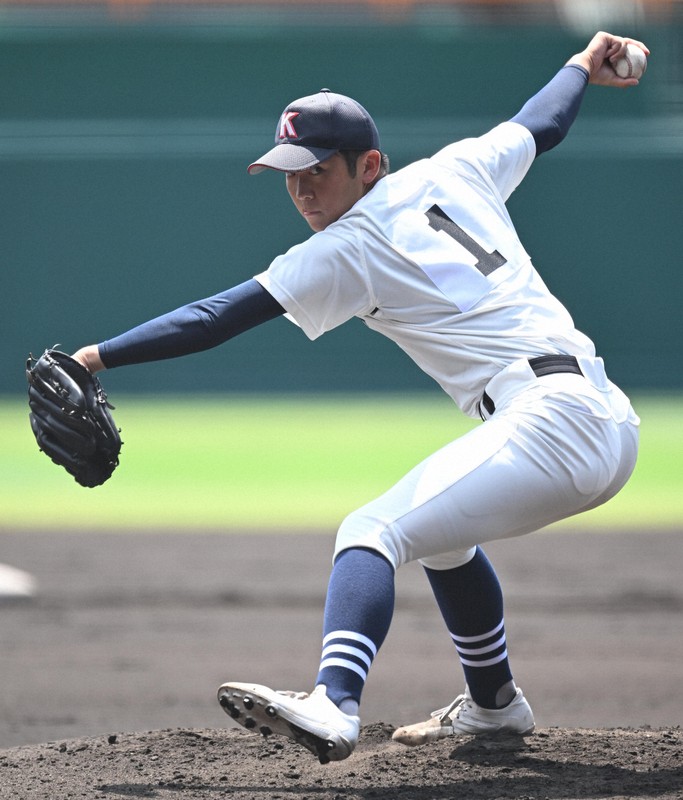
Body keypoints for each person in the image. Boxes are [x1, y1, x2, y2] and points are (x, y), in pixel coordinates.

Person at [72, 31, 646, 764]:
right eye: (288, 174)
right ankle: (494, 703)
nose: (304, 189)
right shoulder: (459, 168)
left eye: (316, 169)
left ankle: (335, 702)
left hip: (552, 423)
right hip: (598, 418)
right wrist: (579, 65)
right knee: (442, 540)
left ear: (368, 165)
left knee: (371, 531)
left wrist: (96, 356)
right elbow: (542, 123)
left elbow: (219, 316)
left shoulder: (349, 244)